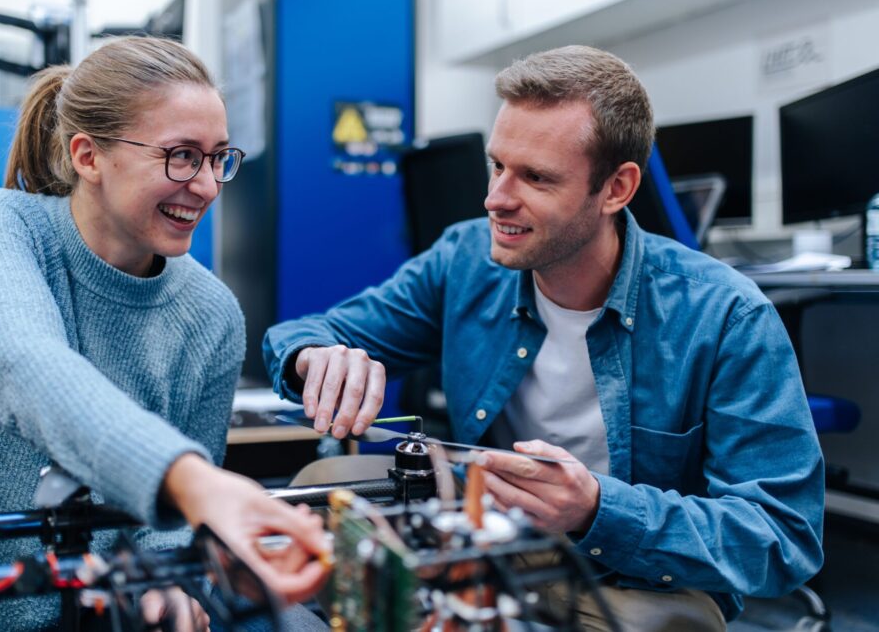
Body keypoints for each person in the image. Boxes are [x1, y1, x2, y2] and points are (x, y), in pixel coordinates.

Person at [264, 45, 824, 630]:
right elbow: (305, 332)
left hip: (623, 573)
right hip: (483, 534)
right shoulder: (464, 258)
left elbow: (783, 537)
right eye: (497, 165)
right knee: (319, 493)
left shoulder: (727, 315)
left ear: (616, 188)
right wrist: (316, 357)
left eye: (535, 177)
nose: (496, 198)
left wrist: (597, 510)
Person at [0, 36, 328, 631]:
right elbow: (24, 366)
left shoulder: (212, 314)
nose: (204, 185)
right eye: (180, 156)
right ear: (87, 156)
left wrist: (170, 588)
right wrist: (193, 481)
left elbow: (165, 529)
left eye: (218, 157)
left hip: (105, 614)